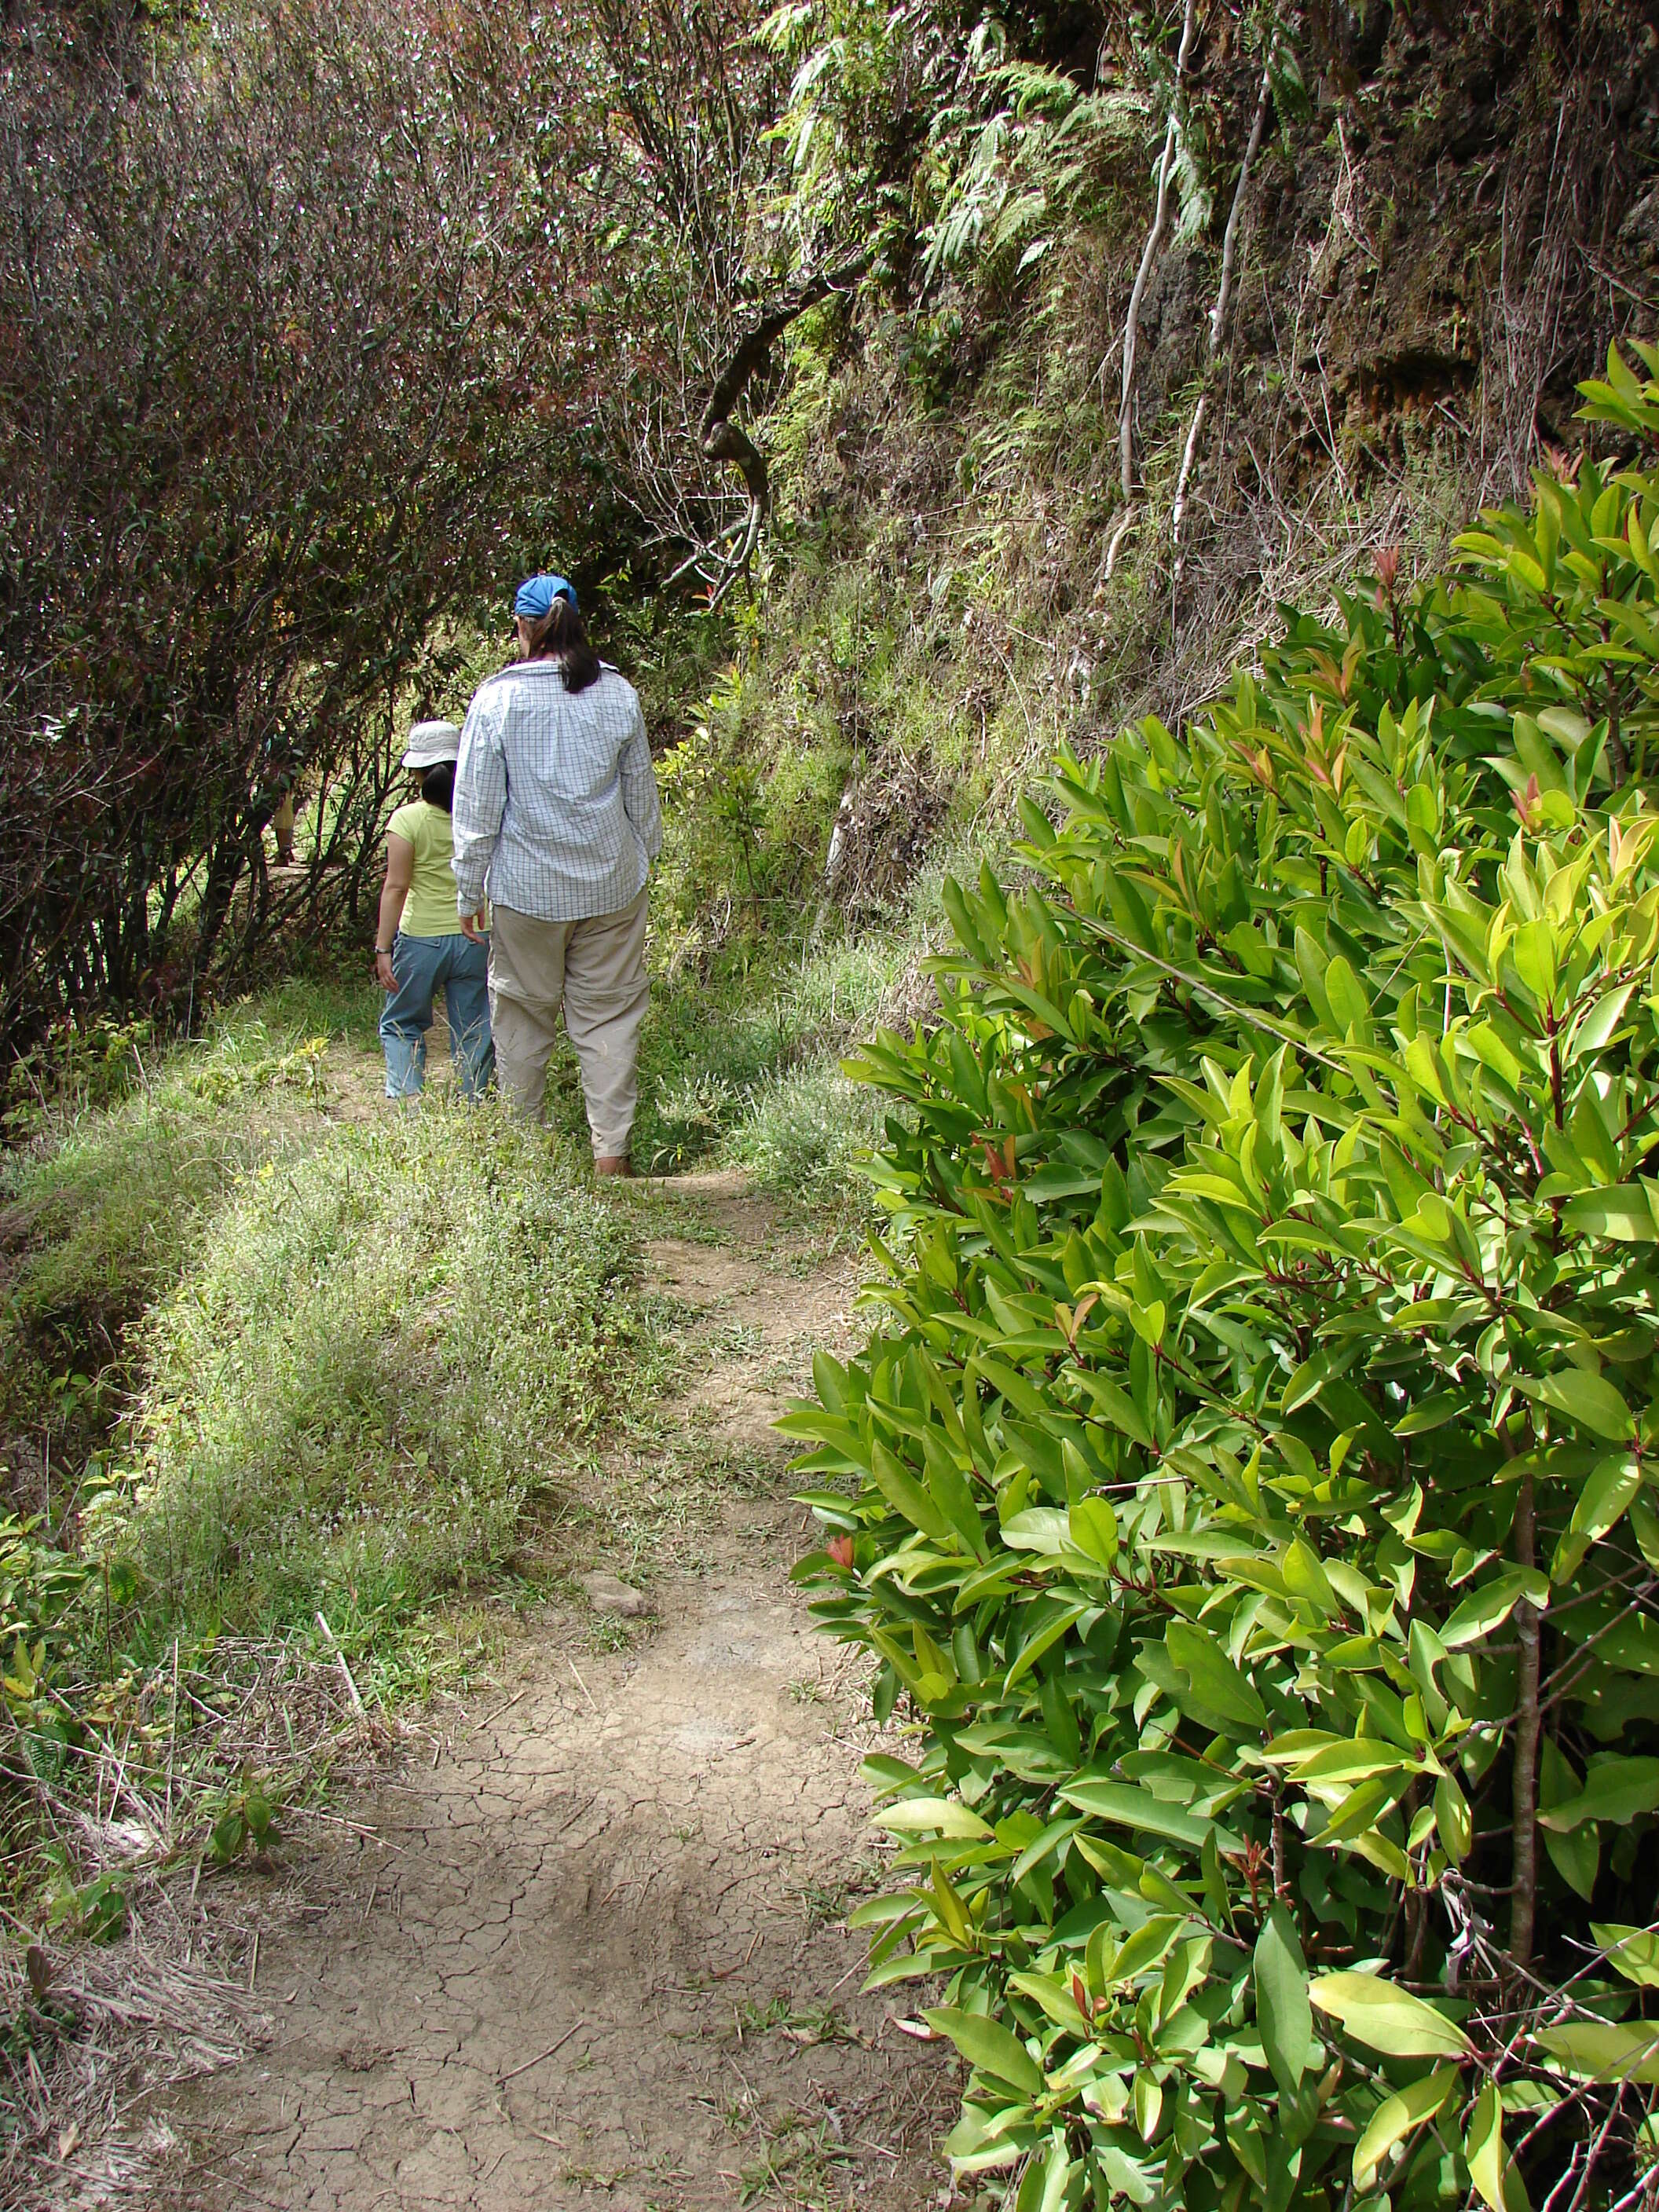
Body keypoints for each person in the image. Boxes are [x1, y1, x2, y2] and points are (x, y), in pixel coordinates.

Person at [452, 573, 661, 1176]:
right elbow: (641, 797)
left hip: (526, 893)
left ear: (522, 626)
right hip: (611, 885)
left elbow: (476, 810)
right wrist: (647, 856)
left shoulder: (496, 699)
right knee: (611, 1016)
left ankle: (526, 1154)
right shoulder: (618, 693)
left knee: (522, 1013)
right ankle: (611, 1156)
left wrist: (470, 888)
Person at [374, 721, 496, 1101]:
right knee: (475, 1025)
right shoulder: (482, 814)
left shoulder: (407, 820)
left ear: (418, 773)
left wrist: (383, 948)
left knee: (402, 1022)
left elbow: (396, 886)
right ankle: (476, 1102)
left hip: (420, 939)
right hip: (475, 935)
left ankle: (409, 1101)